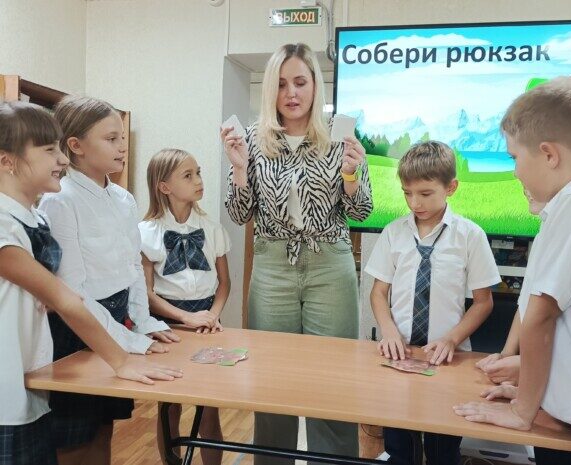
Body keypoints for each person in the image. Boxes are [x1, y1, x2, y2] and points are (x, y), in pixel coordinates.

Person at [0, 101, 182, 465]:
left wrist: (139, 328)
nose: (62, 159)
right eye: (49, 150)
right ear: (7, 161)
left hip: (32, 371)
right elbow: (66, 299)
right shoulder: (7, 224)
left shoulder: (31, 217)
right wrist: (122, 358)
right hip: (10, 384)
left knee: (94, 434)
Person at [454, 77, 571, 465]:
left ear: (548, 154)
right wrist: (534, 384)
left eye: (514, 158)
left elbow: (540, 316)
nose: (514, 172)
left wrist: (522, 410)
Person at [222, 42, 372, 465]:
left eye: (300, 82)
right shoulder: (252, 139)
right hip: (272, 266)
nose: (291, 93)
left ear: (315, 86)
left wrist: (351, 174)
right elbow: (240, 214)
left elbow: (361, 211)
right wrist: (238, 168)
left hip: (330, 264)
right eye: (282, 83)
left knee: (333, 381)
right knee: (272, 381)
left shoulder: (340, 138)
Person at [365, 141, 501, 465]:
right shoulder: (394, 232)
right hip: (400, 356)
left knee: (443, 449)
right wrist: (389, 331)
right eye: (407, 193)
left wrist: (451, 339)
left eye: (425, 193)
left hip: (448, 360)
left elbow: (483, 302)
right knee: (400, 446)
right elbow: (378, 293)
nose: (415, 202)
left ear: (451, 187)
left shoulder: (470, 236)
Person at [140, 148, 231, 464]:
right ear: (164, 187)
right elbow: (146, 293)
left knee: (209, 407)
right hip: (167, 326)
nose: (198, 180)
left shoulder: (212, 228)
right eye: (188, 175)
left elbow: (225, 284)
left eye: (199, 173)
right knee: (169, 407)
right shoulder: (146, 232)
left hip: (208, 324)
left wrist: (211, 317)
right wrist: (185, 318)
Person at [476, 190, 545, 386]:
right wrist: (506, 355)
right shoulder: (544, 232)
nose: (526, 191)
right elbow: (527, 302)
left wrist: (527, 366)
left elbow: (545, 310)